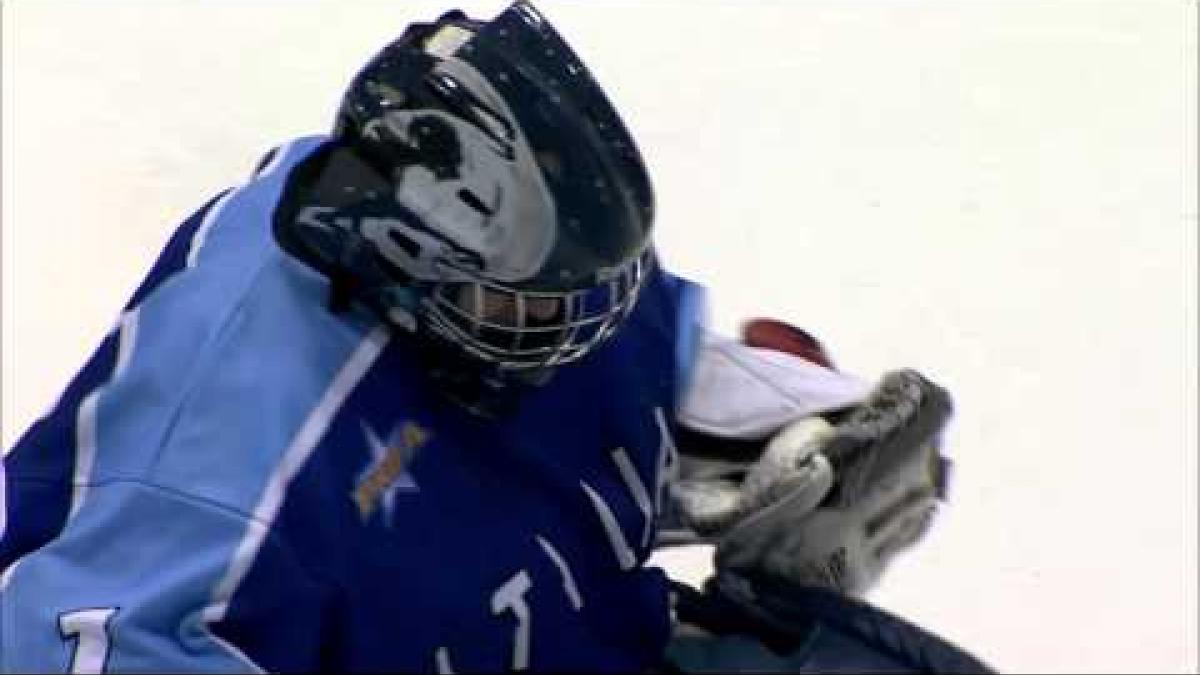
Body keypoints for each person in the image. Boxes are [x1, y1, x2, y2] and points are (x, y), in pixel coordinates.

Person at [0, 3, 990, 672]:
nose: (583, 339)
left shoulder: (506, 255)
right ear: (397, 265)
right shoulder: (215, 476)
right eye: (538, 317)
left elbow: (601, 338)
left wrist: (783, 430)